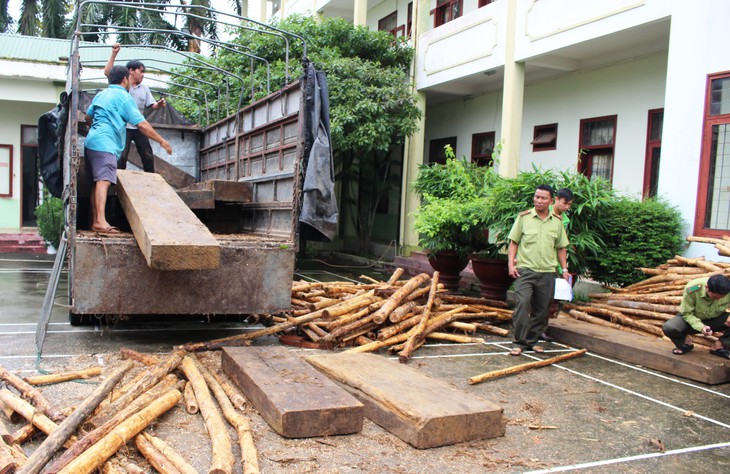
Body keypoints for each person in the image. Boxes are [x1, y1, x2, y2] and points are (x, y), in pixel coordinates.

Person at [84, 65, 172, 234]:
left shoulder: (100, 95)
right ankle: (101, 222)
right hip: (105, 144)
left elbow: (88, 117)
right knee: (103, 181)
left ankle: (95, 221)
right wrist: (162, 141)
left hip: (91, 142)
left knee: (96, 182)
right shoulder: (124, 97)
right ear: (125, 79)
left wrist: (96, 128)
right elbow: (141, 124)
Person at [507, 184, 570, 356]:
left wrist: (564, 269)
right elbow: (514, 242)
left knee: (541, 311)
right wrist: (511, 264)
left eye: (543, 198)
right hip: (525, 271)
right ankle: (518, 342)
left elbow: (561, 248)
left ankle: (532, 341)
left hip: (548, 272)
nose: (539, 200)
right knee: (522, 304)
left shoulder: (556, 222)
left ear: (551, 201)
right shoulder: (524, 218)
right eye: (536, 197)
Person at [104, 43, 167, 172]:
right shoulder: (121, 85)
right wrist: (114, 54)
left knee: (147, 154)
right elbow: (108, 72)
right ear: (131, 71)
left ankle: (151, 179)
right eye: (141, 71)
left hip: (138, 127)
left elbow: (153, 105)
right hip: (123, 127)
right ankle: (119, 182)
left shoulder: (144, 89)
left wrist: (159, 104)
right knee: (122, 156)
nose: (143, 74)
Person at [662, 274, 730, 359]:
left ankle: (719, 346)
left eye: (721, 298)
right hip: (692, 319)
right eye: (715, 297)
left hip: (717, 318)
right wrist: (701, 327)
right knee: (669, 327)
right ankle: (685, 343)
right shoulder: (692, 289)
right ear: (707, 287)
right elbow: (687, 313)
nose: (718, 300)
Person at [540, 187, 575, 342]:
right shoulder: (541, 211)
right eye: (565, 203)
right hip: (535, 262)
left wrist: (563, 269)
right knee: (530, 299)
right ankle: (526, 329)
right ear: (556, 199)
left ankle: (541, 329)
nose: (567, 207)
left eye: (570, 205)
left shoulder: (564, 221)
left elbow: (560, 246)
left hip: (551, 264)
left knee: (547, 299)